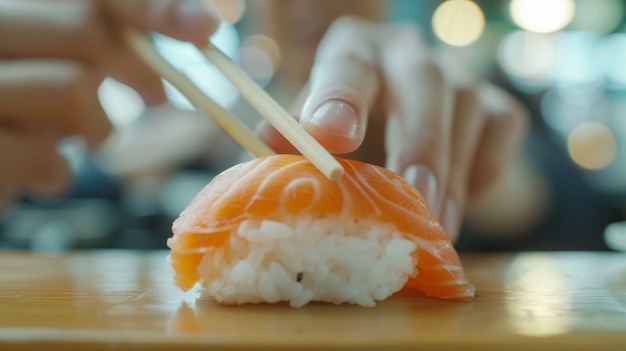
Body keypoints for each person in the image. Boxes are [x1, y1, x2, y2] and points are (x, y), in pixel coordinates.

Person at [0, 0, 529, 243]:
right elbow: (75, 187)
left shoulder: (453, 75)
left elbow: (552, 196)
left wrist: (481, 172)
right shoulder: (203, 125)